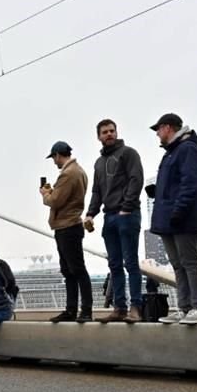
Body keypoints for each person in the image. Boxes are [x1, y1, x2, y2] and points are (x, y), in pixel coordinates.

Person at [147, 114, 197, 325]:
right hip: (168, 219)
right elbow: (177, 184)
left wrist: (179, 210)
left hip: (182, 218)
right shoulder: (171, 153)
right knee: (177, 264)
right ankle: (184, 308)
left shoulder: (187, 149)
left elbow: (190, 183)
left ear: (168, 128)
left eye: (158, 129)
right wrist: (158, 192)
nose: (156, 134)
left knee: (189, 262)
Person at [84, 118, 144, 323]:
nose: (109, 134)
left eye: (112, 131)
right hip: (109, 216)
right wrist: (90, 214)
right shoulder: (99, 163)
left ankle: (135, 307)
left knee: (131, 262)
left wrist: (127, 208)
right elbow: (96, 191)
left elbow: (136, 179)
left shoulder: (129, 153)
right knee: (114, 264)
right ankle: (119, 307)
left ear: (116, 132)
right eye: (104, 132)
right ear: (98, 136)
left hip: (126, 214)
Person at [40, 140, 93, 324]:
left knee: (75, 270)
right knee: (70, 270)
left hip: (67, 226)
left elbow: (55, 201)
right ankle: (75, 309)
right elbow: (67, 197)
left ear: (57, 155)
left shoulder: (68, 174)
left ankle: (82, 310)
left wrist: (45, 193)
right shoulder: (79, 171)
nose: (54, 162)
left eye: (54, 158)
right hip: (70, 225)